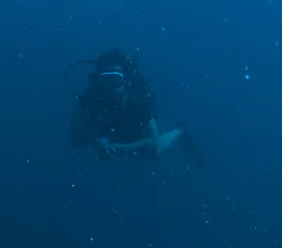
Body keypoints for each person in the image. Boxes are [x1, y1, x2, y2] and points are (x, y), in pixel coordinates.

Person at [71, 50, 201, 164]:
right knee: (77, 140)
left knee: (152, 153)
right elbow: (77, 121)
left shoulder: (138, 101)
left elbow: (153, 142)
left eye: (116, 79)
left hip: (134, 127)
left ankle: (178, 132)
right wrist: (96, 143)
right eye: (106, 80)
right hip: (110, 124)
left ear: (126, 80)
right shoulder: (93, 95)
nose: (111, 88)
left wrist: (123, 148)